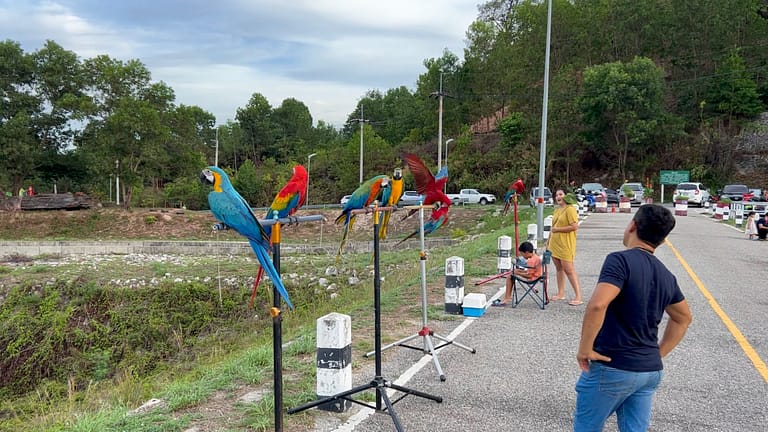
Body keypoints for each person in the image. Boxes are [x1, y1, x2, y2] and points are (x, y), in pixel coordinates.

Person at [573, 204, 693, 432]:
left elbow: (598, 304)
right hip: (649, 371)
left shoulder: (620, 261)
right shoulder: (666, 275)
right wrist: (658, 353)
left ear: (632, 226)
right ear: (663, 240)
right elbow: (683, 318)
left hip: (613, 366)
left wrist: (585, 349)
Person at [547, 189, 582, 305]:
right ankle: (560, 293)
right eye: (556, 195)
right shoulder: (557, 210)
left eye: (561, 194)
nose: (558, 197)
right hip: (554, 244)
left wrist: (558, 230)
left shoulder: (570, 209)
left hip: (566, 244)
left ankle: (578, 296)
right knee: (559, 268)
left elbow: (574, 226)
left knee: (569, 269)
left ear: (566, 196)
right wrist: (548, 243)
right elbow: (553, 227)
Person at [492, 241, 542, 306]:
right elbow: (531, 271)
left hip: (532, 279)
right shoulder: (536, 257)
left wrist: (518, 274)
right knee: (515, 271)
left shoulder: (531, 261)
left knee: (510, 277)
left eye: (522, 254)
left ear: (526, 252)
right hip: (537, 276)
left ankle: (507, 298)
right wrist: (518, 271)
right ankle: (507, 297)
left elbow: (529, 276)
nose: (522, 256)